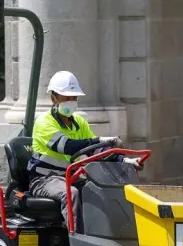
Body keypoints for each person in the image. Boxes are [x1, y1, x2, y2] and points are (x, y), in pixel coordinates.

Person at [28, 70, 117, 209]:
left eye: (74, 98)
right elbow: (67, 146)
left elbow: (96, 150)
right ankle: (74, 231)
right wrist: (100, 139)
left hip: (70, 177)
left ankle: (98, 229)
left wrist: (124, 159)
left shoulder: (79, 122)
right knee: (71, 193)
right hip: (44, 180)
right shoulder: (43, 122)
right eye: (66, 97)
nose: (71, 101)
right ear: (53, 98)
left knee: (100, 190)